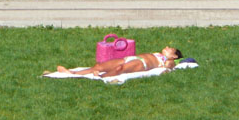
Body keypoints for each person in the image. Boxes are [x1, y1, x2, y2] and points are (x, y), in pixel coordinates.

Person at [52, 46, 183, 78]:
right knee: (99, 65)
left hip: (142, 64)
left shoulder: (170, 61)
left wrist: (169, 63)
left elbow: (168, 67)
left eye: (170, 49)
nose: (166, 47)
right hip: (132, 58)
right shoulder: (158, 53)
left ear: (175, 56)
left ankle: (102, 77)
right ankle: (72, 73)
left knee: (120, 68)